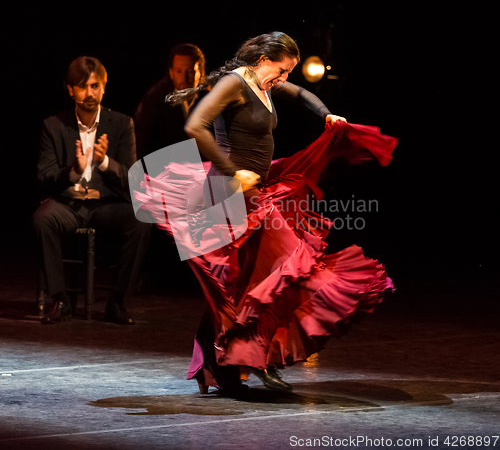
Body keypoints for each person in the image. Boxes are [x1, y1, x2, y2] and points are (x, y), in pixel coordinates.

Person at [136, 32, 397, 395]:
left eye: (289, 72)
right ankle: (236, 363)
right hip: (228, 193)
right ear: (262, 59)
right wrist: (232, 171)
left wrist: (327, 115)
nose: (284, 78)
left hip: (254, 192)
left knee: (246, 285)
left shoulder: (266, 84)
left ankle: (228, 362)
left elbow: (302, 93)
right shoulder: (234, 83)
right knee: (276, 272)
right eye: (282, 69)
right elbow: (195, 125)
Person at [33, 56, 151, 325]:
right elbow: (44, 177)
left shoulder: (122, 124)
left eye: (96, 86)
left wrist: (105, 162)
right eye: (83, 87)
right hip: (68, 204)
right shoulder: (54, 125)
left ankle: (118, 302)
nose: (90, 93)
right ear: (71, 89)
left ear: (104, 88)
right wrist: (75, 170)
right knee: (42, 218)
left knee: (143, 217)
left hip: (104, 206)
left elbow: (133, 181)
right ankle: (60, 299)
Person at [135, 43, 207, 159]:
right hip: (167, 172)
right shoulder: (155, 103)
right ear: (171, 73)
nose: (184, 78)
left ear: (200, 73)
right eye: (179, 71)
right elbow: (144, 147)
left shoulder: (211, 100)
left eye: (190, 71)